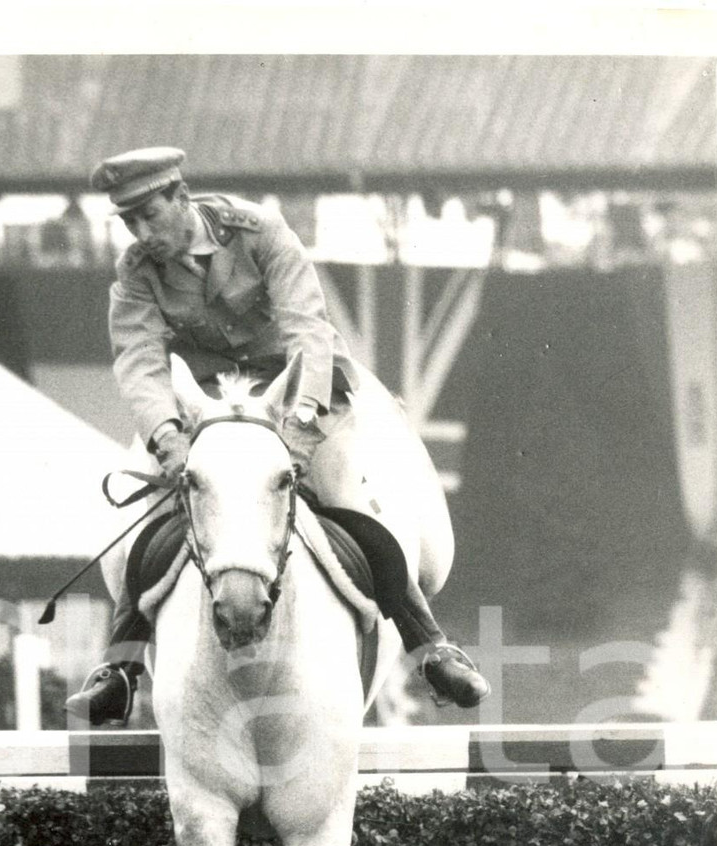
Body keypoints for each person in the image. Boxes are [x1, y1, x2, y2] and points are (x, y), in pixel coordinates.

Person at [68, 146, 489, 725]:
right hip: (210, 406)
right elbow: (139, 363)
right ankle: (119, 667)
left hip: (300, 390)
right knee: (136, 528)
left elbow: (307, 329)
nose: (142, 233)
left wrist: (299, 429)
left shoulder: (259, 230)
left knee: (352, 500)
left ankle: (430, 648)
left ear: (181, 198)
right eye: (130, 221)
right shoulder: (135, 273)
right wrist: (169, 439)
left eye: (149, 216)